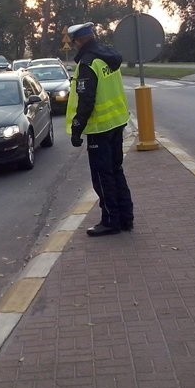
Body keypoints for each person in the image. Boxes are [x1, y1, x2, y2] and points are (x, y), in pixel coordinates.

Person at [65, 22, 134, 237]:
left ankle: (110, 221)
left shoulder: (88, 63)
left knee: (102, 177)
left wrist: (77, 129)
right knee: (116, 171)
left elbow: (86, 101)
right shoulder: (108, 57)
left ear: (77, 41)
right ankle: (126, 218)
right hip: (116, 122)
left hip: (99, 128)